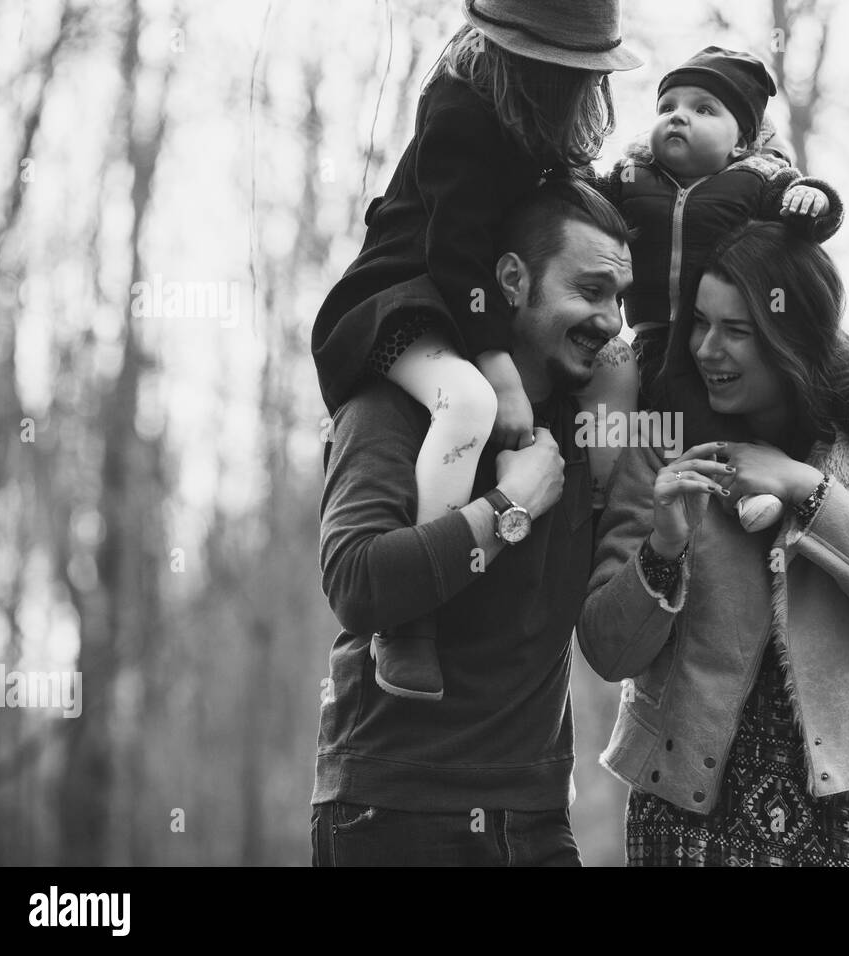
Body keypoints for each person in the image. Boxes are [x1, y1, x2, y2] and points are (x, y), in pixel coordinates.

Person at [577, 221, 849, 866]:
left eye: (737, 331)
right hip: (681, 811)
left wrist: (809, 490)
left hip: (836, 806)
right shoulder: (663, 436)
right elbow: (608, 650)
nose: (705, 349)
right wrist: (663, 550)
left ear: (794, 338)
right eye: (699, 322)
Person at [310, 0, 642, 702]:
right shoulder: (460, 111)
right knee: (466, 402)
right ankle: (410, 627)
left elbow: (567, 212)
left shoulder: (539, 126)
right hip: (395, 306)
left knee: (484, 395)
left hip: (458, 304)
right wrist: (500, 373)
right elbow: (460, 259)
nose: (579, 88)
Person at [311, 179, 632, 866]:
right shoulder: (398, 406)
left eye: (621, 298)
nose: (613, 321)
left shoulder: (591, 426)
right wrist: (507, 509)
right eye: (591, 290)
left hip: (538, 818)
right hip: (397, 816)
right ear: (512, 280)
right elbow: (357, 581)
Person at [595, 46, 849, 533]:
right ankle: (746, 489)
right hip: (659, 334)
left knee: (827, 351)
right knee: (686, 406)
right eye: (667, 107)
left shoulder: (753, 181)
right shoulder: (632, 180)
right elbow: (588, 204)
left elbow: (809, 220)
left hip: (757, 319)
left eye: (703, 109)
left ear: (741, 142)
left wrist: (813, 199)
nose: (679, 118)